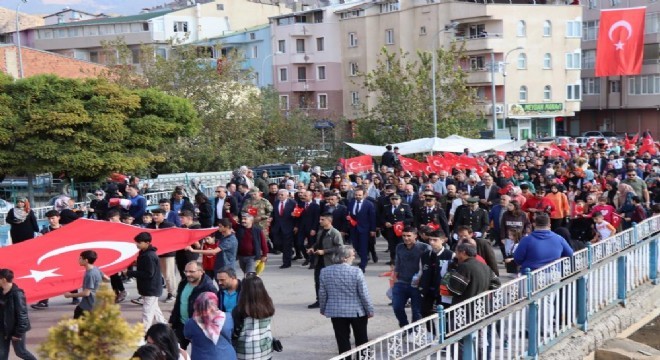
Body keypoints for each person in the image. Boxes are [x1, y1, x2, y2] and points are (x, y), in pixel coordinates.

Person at [319, 245, 374, 358]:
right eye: (352, 255)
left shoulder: (325, 271)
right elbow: (363, 293)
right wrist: (369, 309)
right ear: (344, 258)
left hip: (336, 312)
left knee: (342, 340)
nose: (354, 257)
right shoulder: (356, 271)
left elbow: (322, 293)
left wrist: (323, 308)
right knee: (361, 339)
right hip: (357, 312)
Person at [170, 261, 217, 350]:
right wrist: (172, 320)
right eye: (186, 271)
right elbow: (178, 303)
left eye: (191, 271)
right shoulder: (183, 283)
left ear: (201, 272)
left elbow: (214, 311)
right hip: (181, 325)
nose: (188, 274)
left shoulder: (208, 288)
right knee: (175, 351)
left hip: (198, 328)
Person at [126, 232, 166, 331]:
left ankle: (145, 331)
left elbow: (148, 273)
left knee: (147, 311)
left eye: (139, 242)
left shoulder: (148, 256)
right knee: (155, 309)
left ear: (147, 243)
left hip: (150, 288)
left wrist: (129, 273)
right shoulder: (145, 254)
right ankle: (163, 325)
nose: (137, 244)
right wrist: (137, 263)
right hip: (150, 288)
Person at [392, 227, 430, 328]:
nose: (406, 238)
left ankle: (414, 330)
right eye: (404, 235)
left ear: (415, 236)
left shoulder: (424, 248)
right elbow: (397, 263)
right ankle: (404, 327)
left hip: (417, 284)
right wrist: (394, 278)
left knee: (416, 311)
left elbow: (428, 266)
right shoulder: (399, 247)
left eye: (409, 236)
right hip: (401, 282)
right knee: (397, 307)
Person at [232, 276, 276, 360]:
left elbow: (235, 333)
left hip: (245, 352)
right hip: (265, 350)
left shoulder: (240, 309)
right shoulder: (268, 304)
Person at [184, 292, 236, 360]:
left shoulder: (191, 323)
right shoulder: (228, 318)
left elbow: (187, 336)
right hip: (227, 356)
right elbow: (230, 334)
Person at [307, 213, 343, 309]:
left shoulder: (335, 233)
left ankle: (333, 301)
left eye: (322, 219)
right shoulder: (321, 231)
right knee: (318, 281)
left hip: (330, 262)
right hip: (319, 261)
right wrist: (312, 248)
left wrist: (325, 251)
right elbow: (317, 243)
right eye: (320, 219)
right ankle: (319, 300)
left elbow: (340, 248)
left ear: (329, 221)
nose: (320, 221)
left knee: (331, 283)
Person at [0, 268, 37, 360]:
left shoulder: (17, 294)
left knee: (20, 352)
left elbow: (22, 316)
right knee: (1, 354)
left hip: (16, 329)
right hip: (3, 329)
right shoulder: (1, 292)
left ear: (3, 280)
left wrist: (18, 334)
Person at [63, 250, 105, 319]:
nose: (78, 260)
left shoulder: (90, 274)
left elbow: (86, 293)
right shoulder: (95, 268)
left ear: (86, 260)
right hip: (94, 303)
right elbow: (106, 278)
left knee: (78, 323)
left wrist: (70, 295)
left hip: (89, 306)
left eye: (80, 258)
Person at [146, 208, 177, 303]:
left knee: (168, 275)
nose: (155, 217)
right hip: (153, 254)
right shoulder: (149, 226)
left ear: (163, 216)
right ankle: (151, 293)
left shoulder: (169, 226)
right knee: (153, 275)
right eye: (153, 215)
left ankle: (172, 294)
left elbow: (174, 238)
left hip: (167, 254)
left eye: (157, 215)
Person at [348, 188, 377, 272]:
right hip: (353, 229)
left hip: (365, 229)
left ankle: (363, 265)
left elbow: (372, 218)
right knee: (356, 246)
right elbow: (349, 214)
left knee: (363, 247)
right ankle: (365, 257)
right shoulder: (351, 203)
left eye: (359, 195)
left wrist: (373, 230)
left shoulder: (369, 204)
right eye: (356, 195)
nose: (357, 196)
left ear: (364, 195)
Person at [270, 189, 297, 269]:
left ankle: (286, 263)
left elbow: (297, 215)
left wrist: (295, 224)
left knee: (287, 245)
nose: (280, 196)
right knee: (277, 243)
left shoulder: (292, 203)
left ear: (287, 195)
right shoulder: (276, 202)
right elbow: (274, 213)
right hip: (277, 227)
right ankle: (290, 252)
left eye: (282, 195)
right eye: (279, 195)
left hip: (288, 227)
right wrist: (271, 218)